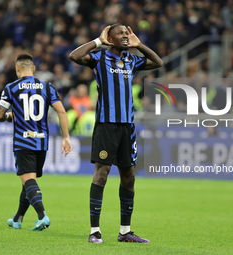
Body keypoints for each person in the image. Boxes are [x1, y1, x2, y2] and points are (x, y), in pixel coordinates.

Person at [69, 24, 163, 243]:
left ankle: (125, 231)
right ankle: (94, 231)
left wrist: (140, 45)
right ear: (110, 38)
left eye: (127, 33)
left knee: (128, 177)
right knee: (102, 174)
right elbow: (74, 56)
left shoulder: (132, 60)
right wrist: (98, 42)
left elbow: (158, 62)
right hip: (106, 125)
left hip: (127, 127)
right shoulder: (100, 57)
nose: (125, 36)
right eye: (120, 33)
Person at [0, 53, 72, 231]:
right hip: (42, 142)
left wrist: (8, 116)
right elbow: (61, 112)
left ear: (17, 69)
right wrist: (66, 137)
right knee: (28, 181)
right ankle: (17, 219)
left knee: (28, 180)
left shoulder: (11, 87)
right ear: (34, 69)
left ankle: (42, 216)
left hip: (23, 141)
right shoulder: (47, 87)